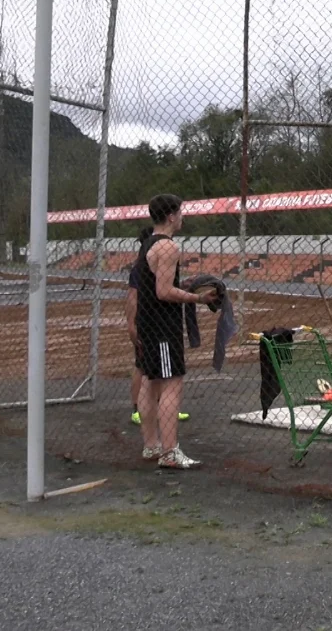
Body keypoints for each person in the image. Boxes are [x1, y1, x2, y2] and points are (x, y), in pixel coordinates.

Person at [134, 194, 217, 469]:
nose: (183, 216)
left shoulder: (148, 243)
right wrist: (198, 299)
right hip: (162, 325)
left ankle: (152, 446)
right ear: (171, 216)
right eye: (180, 212)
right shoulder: (168, 246)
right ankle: (170, 452)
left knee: (150, 382)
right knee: (172, 383)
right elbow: (164, 291)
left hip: (147, 322)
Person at [126, 225, 188, 426]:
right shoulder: (143, 264)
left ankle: (162, 407)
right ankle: (140, 409)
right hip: (153, 324)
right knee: (145, 369)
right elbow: (133, 297)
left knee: (152, 372)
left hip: (150, 322)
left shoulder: (149, 260)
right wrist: (131, 323)